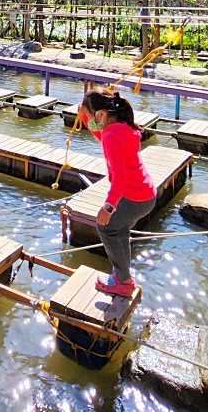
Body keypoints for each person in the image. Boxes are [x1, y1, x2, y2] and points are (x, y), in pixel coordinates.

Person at [79, 87, 157, 297]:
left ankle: (123, 281)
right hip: (146, 194)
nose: (89, 118)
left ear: (102, 114)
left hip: (134, 197)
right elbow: (102, 136)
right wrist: (86, 120)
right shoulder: (120, 128)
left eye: (90, 114)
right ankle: (122, 275)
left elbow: (120, 177)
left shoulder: (112, 136)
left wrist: (108, 206)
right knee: (119, 230)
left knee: (105, 227)